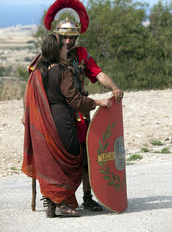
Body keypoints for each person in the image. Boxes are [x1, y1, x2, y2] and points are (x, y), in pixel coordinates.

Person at [26, 0, 124, 212]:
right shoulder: (47, 58)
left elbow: (99, 74)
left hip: (80, 114)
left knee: (87, 156)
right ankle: (58, 199)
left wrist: (114, 88)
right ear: (57, 37)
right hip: (57, 116)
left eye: (72, 37)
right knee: (58, 159)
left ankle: (87, 197)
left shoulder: (81, 55)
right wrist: (31, 114)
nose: (68, 42)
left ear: (77, 37)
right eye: (64, 38)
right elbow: (35, 91)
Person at [22, 33, 111, 218]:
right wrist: (99, 102)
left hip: (43, 121)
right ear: (57, 50)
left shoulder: (39, 71)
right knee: (68, 161)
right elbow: (76, 100)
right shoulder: (63, 72)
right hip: (62, 121)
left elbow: (28, 98)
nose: (67, 49)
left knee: (50, 162)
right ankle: (62, 204)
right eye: (63, 47)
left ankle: (52, 203)